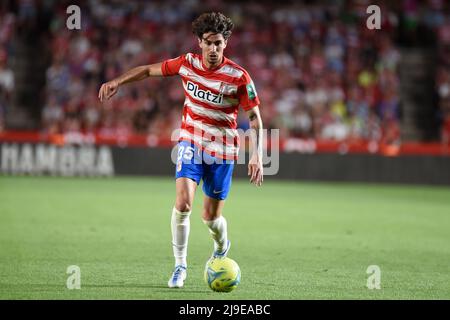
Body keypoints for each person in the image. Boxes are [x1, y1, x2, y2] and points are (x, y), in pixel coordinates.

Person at [98, 12, 263, 288]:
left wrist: (257, 153)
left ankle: (222, 246)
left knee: (211, 218)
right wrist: (118, 81)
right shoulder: (186, 63)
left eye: (219, 44)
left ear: (226, 43)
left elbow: (255, 117)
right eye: (208, 43)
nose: (213, 49)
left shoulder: (238, 77)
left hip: (223, 151)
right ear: (199, 41)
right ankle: (180, 266)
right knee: (183, 203)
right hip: (190, 142)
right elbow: (149, 70)